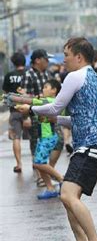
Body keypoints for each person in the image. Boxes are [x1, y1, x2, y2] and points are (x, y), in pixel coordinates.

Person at [17, 37, 97, 241]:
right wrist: (55, 118)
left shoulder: (75, 76)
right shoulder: (95, 78)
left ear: (79, 57)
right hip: (94, 146)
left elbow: (56, 105)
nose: (63, 59)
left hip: (89, 147)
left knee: (67, 195)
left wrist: (30, 108)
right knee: (68, 197)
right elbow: (76, 117)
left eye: (66, 55)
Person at [16, 80, 65, 199]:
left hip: (50, 137)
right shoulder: (43, 102)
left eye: (46, 87)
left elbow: (35, 102)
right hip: (44, 137)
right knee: (40, 163)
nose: (43, 89)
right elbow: (34, 103)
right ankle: (50, 188)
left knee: (39, 163)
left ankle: (62, 179)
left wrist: (24, 98)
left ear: (54, 90)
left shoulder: (51, 102)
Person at [21, 49, 53, 186]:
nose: (48, 62)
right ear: (38, 60)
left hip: (48, 117)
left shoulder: (48, 74)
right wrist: (25, 117)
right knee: (35, 144)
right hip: (34, 116)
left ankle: (46, 173)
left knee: (47, 143)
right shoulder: (28, 75)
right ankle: (39, 175)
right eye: (46, 59)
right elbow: (23, 98)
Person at [2, 52, 26, 173]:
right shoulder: (29, 73)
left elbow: (5, 93)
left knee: (16, 138)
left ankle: (19, 164)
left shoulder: (9, 75)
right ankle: (36, 164)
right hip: (29, 111)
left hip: (15, 110)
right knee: (34, 138)